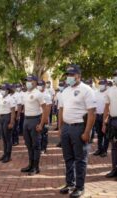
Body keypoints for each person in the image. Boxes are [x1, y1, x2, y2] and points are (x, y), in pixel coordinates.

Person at [58, 64, 96, 198]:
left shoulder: (87, 90)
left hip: (79, 127)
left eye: (72, 75)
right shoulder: (65, 91)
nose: (69, 77)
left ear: (79, 76)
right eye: (68, 75)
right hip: (67, 128)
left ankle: (80, 187)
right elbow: (61, 110)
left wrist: (87, 132)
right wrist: (61, 127)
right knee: (68, 157)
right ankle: (70, 183)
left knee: (80, 159)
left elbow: (92, 113)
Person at [20, 75, 47, 176]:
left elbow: (45, 109)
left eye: (30, 80)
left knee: (36, 145)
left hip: (35, 120)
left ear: (35, 82)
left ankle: (36, 167)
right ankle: (30, 165)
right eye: (27, 80)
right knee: (28, 144)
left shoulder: (38, 94)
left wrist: (41, 124)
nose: (27, 82)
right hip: (26, 120)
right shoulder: (26, 93)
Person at [102, 69, 117, 179]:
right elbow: (106, 107)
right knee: (114, 147)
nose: (116, 77)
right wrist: (104, 123)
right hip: (113, 121)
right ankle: (114, 169)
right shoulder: (110, 91)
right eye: (115, 75)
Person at [0, 84, 15, 163]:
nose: (2, 91)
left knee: (8, 138)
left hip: (7, 117)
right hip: (1, 118)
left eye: (3, 89)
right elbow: (0, 109)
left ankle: (8, 156)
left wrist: (11, 122)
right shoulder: (1, 98)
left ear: (7, 90)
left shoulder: (10, 98)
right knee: (3, 138)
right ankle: (4, 154)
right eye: (1, 89)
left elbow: (13, 111)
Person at [93, 79, 109, 157]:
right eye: (100, 84)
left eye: (102, 84)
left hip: (105, 116)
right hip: (97, 115)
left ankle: (104, 151)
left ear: (106, 84)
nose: (101, 85)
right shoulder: (96, 93)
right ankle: (99, 149)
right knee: (99, 134)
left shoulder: (108, 93)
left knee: (105, 134)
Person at [37, 80, 52, 154]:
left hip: (44, 115)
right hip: (37, 115)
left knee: (44, 133)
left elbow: (48, 107)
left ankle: (43, 148)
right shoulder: (36, 93)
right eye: (38, 85)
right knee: (38, 132)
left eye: (41, 85)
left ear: (44, 86)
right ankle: (38, 147)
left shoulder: (47, 95)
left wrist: (46, 117)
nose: (39, 86)